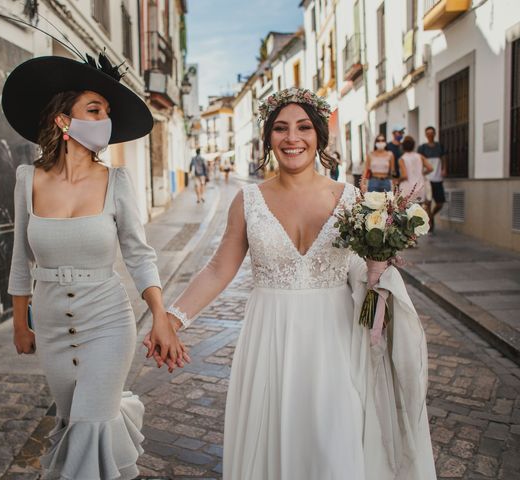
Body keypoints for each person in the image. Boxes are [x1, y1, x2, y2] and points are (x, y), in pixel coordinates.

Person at [146, 87, 436, 479]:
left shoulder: (352, 200)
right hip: (270, 338)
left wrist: (378, 266)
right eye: (280, 129)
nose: (292, 138)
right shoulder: (247, 200)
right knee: (273, 443)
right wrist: (171, 319)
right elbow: (218, 269)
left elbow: (368, 273)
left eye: (303, 127)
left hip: (336, 339)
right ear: (268, 138)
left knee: (335, 441)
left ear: (318, 135)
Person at [3, 51, 189, 480]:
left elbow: (140, 255)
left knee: (89, 424)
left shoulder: (116, 182)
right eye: (94, 109)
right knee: (73, 423)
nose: (104, 118)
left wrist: (160, 316)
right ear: (64, 121)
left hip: (108, 321)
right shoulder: (26, 180)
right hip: (50, 327)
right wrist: (19, 323)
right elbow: (18, 259)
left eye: (106, 111)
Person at [418, 126, 447, 232]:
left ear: (434, 134)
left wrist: (444, 169)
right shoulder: (422, 148)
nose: (430, 135)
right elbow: (419, 161)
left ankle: (431, 216)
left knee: (440, 203)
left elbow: (443, 158)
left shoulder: (439, 146)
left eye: (431, 133)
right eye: (428, 133)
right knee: (428, 202)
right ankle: (430, 224)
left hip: (438, 178)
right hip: (427, 179)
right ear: (426, 135)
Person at [399, 135, 434, 205]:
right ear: (413, 145)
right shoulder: (420, 156)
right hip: (419, 188)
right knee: (418, 212)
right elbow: (431, 168)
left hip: (407, 190)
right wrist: (422, 173)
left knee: (406, 213)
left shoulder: (402, 159)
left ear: (403, 146)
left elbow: (405, 176)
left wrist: (397, 180)